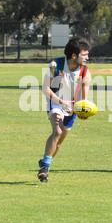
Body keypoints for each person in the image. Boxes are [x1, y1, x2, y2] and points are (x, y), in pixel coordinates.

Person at [38, 36, 92, 183]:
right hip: (55, 102)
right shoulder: (56, 65)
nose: (87, 57)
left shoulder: (85, 73)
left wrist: (82, 111)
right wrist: (61, 102)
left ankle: (44, 161)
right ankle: (45, 169)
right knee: (57, 131)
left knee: (59, 143)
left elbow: (82, 98)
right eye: (84, 54)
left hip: (71, 109)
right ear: (74, 55)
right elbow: (45, 88)